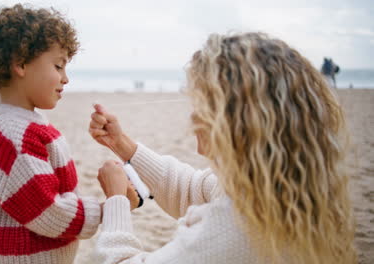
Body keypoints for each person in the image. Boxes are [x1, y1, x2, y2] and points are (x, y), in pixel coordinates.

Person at [89, 33, 358, 263]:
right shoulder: (285, 193)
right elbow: (192, 189)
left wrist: (117, 201)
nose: (193, 120)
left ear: (237, 123)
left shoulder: (237, 228)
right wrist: (122, 145)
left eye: (202, 108)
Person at [0, 4, 135, 263]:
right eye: (58, 66)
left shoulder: (22, 125)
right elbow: (47, 212)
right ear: (20, 63)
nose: (66, 78)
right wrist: (109, 209)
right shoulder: (15, 135)